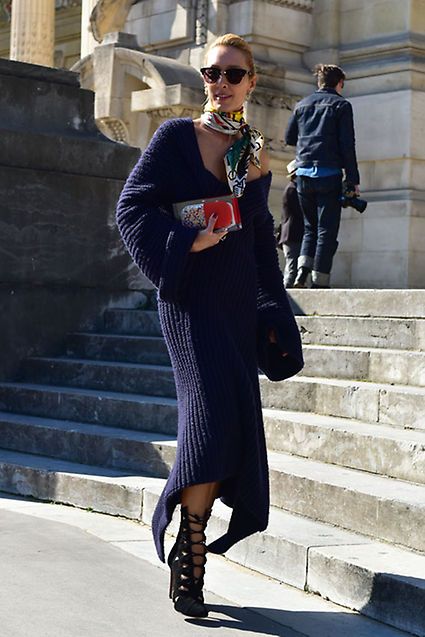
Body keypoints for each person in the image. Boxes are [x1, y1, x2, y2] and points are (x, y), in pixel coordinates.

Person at [116, 34, 303, 619]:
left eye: (231, 73)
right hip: (191, 302)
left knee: (228, 427)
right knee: (209, 418)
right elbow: (132, 208)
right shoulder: (175, 137)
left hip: (236, 308)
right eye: (210, 72)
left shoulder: (256, 158)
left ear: (252, 83)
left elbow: (260, 246)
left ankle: (187, 546)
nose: (218, 82)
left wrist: (274, 309)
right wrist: (185, 240)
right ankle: (190, 553)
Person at [284, 64, 360, 288]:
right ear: (340, 83)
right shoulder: (342, 105)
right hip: (329, 174)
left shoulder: (302, 105)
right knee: (326, 230)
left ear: (319, 82)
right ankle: (320, 281)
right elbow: (348, 145)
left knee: (310, 228)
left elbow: (289, 137)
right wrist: (353, 180)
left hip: (303, 174)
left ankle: (301, 273)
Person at [277, 159, 305, 288]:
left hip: (292, 234)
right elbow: (300, 212)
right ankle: (286, 292)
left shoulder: (292, 188)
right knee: (292, 266)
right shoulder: (292, 190)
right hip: (292, 235)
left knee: (294, 265)